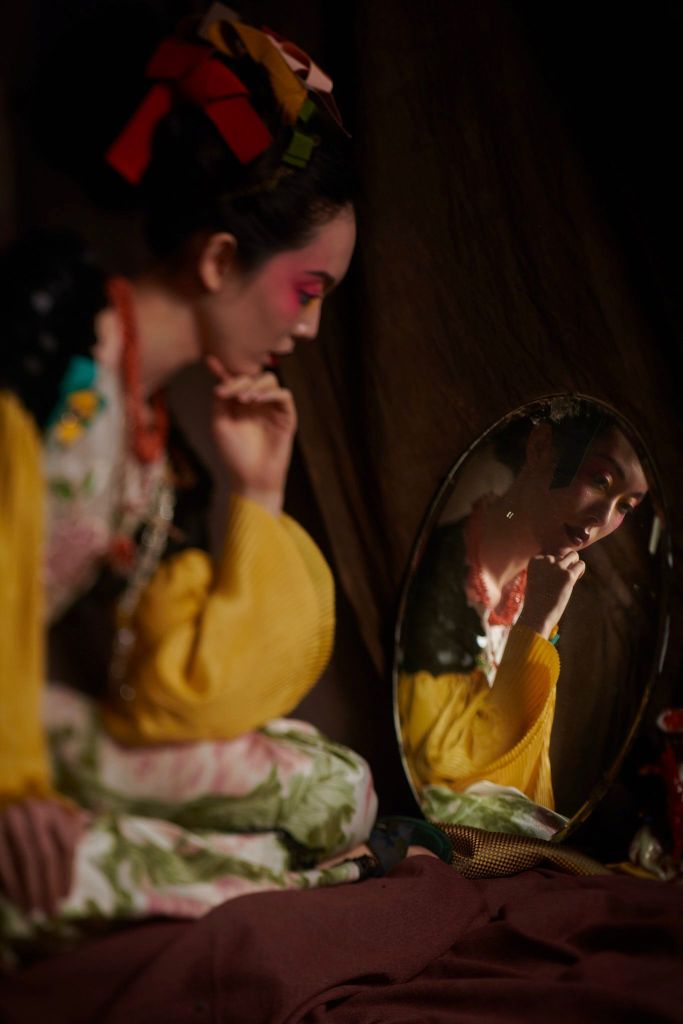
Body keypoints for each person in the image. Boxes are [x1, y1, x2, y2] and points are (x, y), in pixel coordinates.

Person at [0, 9, 448, 952]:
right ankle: (278, 884)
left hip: (36, 731)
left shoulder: (148, 429)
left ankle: (255, 872)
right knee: (78, 875)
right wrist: (13, 780)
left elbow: (172, 699)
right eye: (305, 292)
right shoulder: (41, 356)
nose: (308, 328)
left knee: (337, 787)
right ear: (217, 260)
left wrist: (256, 495)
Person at [398, 403, 649, 812]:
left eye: (625, 506)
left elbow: (531, 778)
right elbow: (441, 774)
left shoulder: (536, 588)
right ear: (541, 447)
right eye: (600, 480)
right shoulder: (448, 573)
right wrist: (534, 627)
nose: (602, 516)